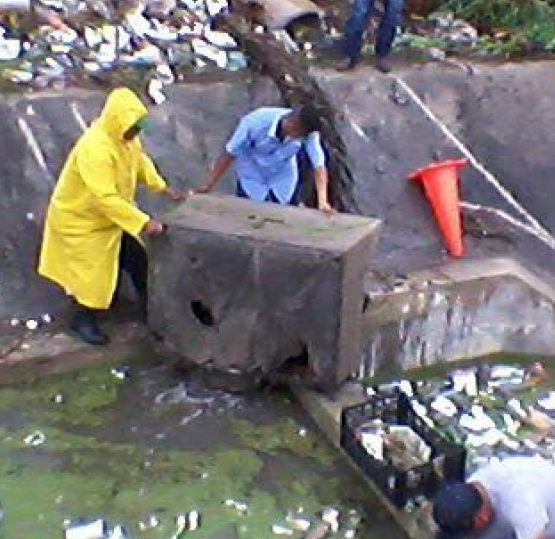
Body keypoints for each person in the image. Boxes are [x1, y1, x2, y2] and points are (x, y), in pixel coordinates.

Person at [38, 87, 182, 346]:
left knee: (139, 264)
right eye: (133, 128)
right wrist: (144, 222)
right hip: (82, 221)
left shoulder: (125, 139)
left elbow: (139, 162)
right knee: (89, 277)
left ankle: (154, 315)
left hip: (111, 220)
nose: (136, 133)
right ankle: (83, 320)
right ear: (117, 120)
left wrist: (162, 186)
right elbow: (104, 198)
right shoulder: (95, 149)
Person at [196, 104, 335, 213]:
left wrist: (323, 201)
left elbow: (319, 165)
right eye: (299, 135)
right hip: (252, 176)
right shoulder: (254, 122)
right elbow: (229, 154)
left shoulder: (308, 134)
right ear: (292, 125)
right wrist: (209, 184)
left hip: (284, 179)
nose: (300, 138)